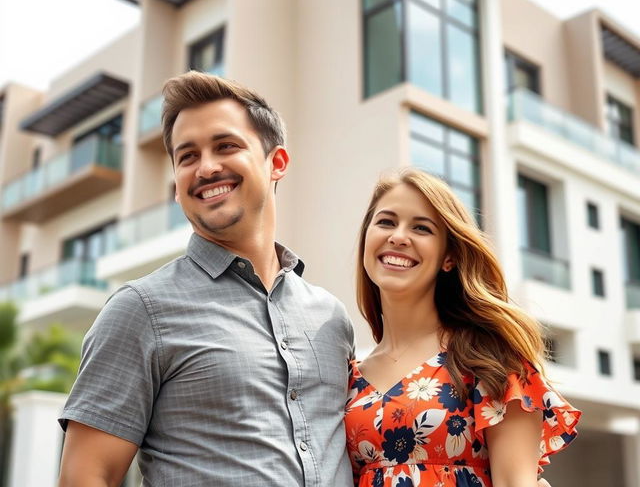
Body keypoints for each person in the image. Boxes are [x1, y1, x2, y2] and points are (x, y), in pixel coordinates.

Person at [57, 72, 355, 487]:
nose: (207, 168)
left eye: (225, 146)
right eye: (188, 156)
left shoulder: (331, 317)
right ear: (177, 188)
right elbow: (86, 476)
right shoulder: (140, 310)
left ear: (277, 163)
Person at [345, 168, 580, 487]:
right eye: (386, 222)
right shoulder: (347, 379)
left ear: (449, 257)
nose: (398, 236)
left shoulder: (489, 360)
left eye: (421, 228)